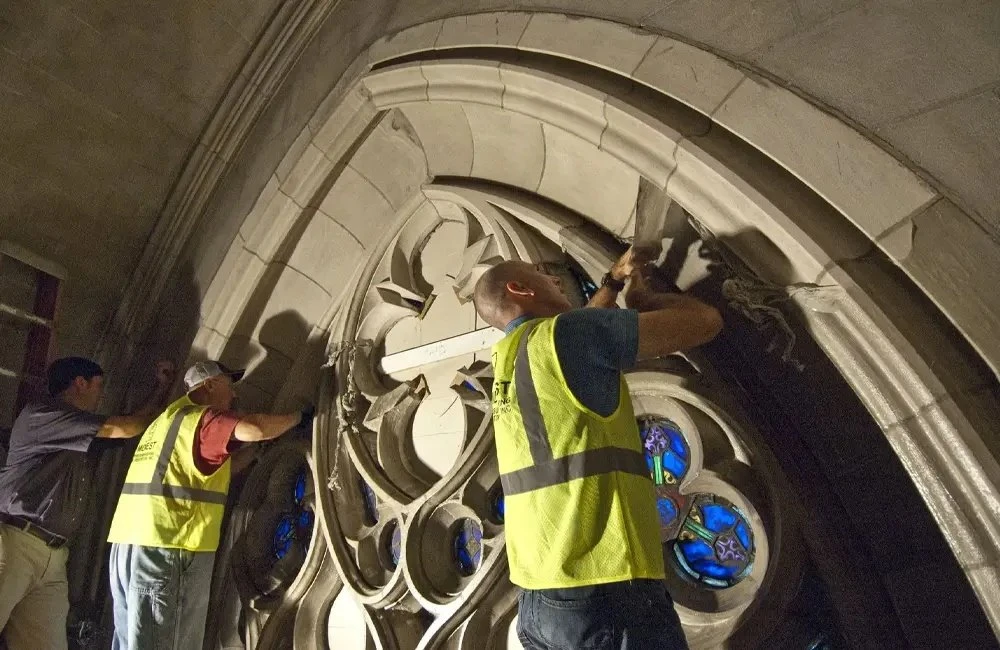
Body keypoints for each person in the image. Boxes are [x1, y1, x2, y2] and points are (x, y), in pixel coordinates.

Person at [473, 248, 723, 650]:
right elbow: (705, 322)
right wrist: (642, 299)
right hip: (606, 590)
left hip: (540, 600)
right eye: (541, 274)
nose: (556, 279)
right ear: (519, 288)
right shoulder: (566, 337)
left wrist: (612, 282)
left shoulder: (509, 358)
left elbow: (581, 340)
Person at [106, 360, 311, 650]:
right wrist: (299, 417)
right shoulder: (202, 418)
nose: (234, 395)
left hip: (129, 548)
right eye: (229, 385)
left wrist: (254, 455)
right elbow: (255, 427)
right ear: (210, 384)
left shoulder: (167, 422)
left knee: (132, 641)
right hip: (169, 549)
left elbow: (206, 472)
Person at [0, 356, 175, 650]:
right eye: (98, 386)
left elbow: (133, 425)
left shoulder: (80, 432)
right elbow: (127, 426)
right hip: (17, 543)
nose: (100, 395)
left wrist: (162, 388)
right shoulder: (44, 414)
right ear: (80, 383)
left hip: (54, 557)